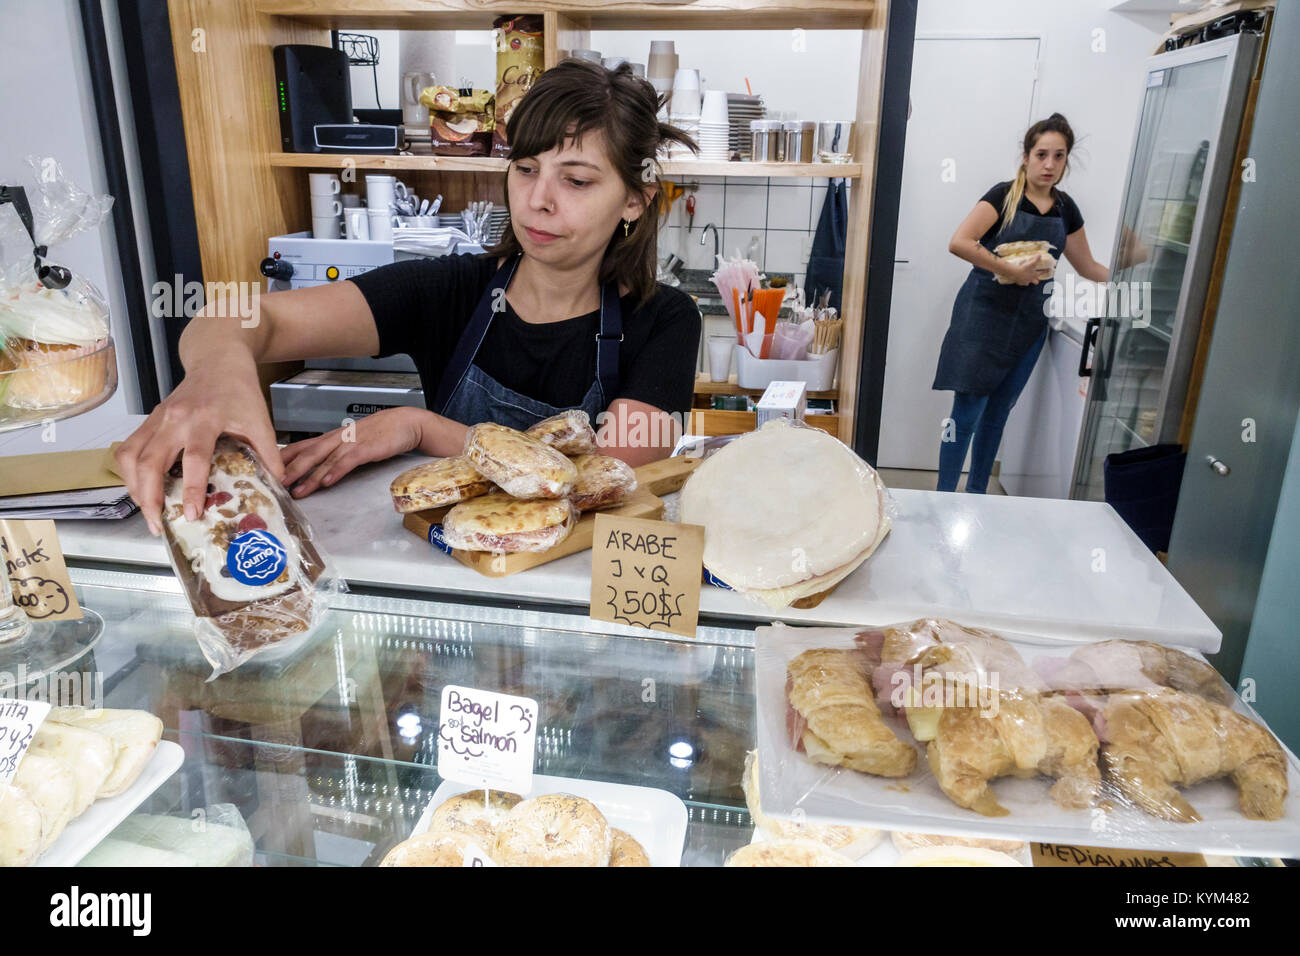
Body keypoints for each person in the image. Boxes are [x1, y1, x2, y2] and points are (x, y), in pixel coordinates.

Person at [116, 60, 701, 535]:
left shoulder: (665, 320)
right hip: (447, 570)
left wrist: (419, 427)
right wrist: (219, 373)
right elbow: (237, 318)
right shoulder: (446, 289)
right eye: (525, 169)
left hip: (565, 587)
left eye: (575, 180)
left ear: (635, 199)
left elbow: (597, 475)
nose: (538, 201)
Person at [932, 113, 1109, 493]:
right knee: (966, 414)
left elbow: (1088, 266)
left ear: (1066, 160)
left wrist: (1142, 268)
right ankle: (944, 497)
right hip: (982, 318)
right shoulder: (1002, 196)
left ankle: (977, 497)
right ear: (1026, 156)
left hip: (1029, 323)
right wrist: (1008, 269)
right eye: (1042, 154)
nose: (1049, 165)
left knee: (998, 414)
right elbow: (960, 242)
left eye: (1059, 156)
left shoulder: (1066, 209)